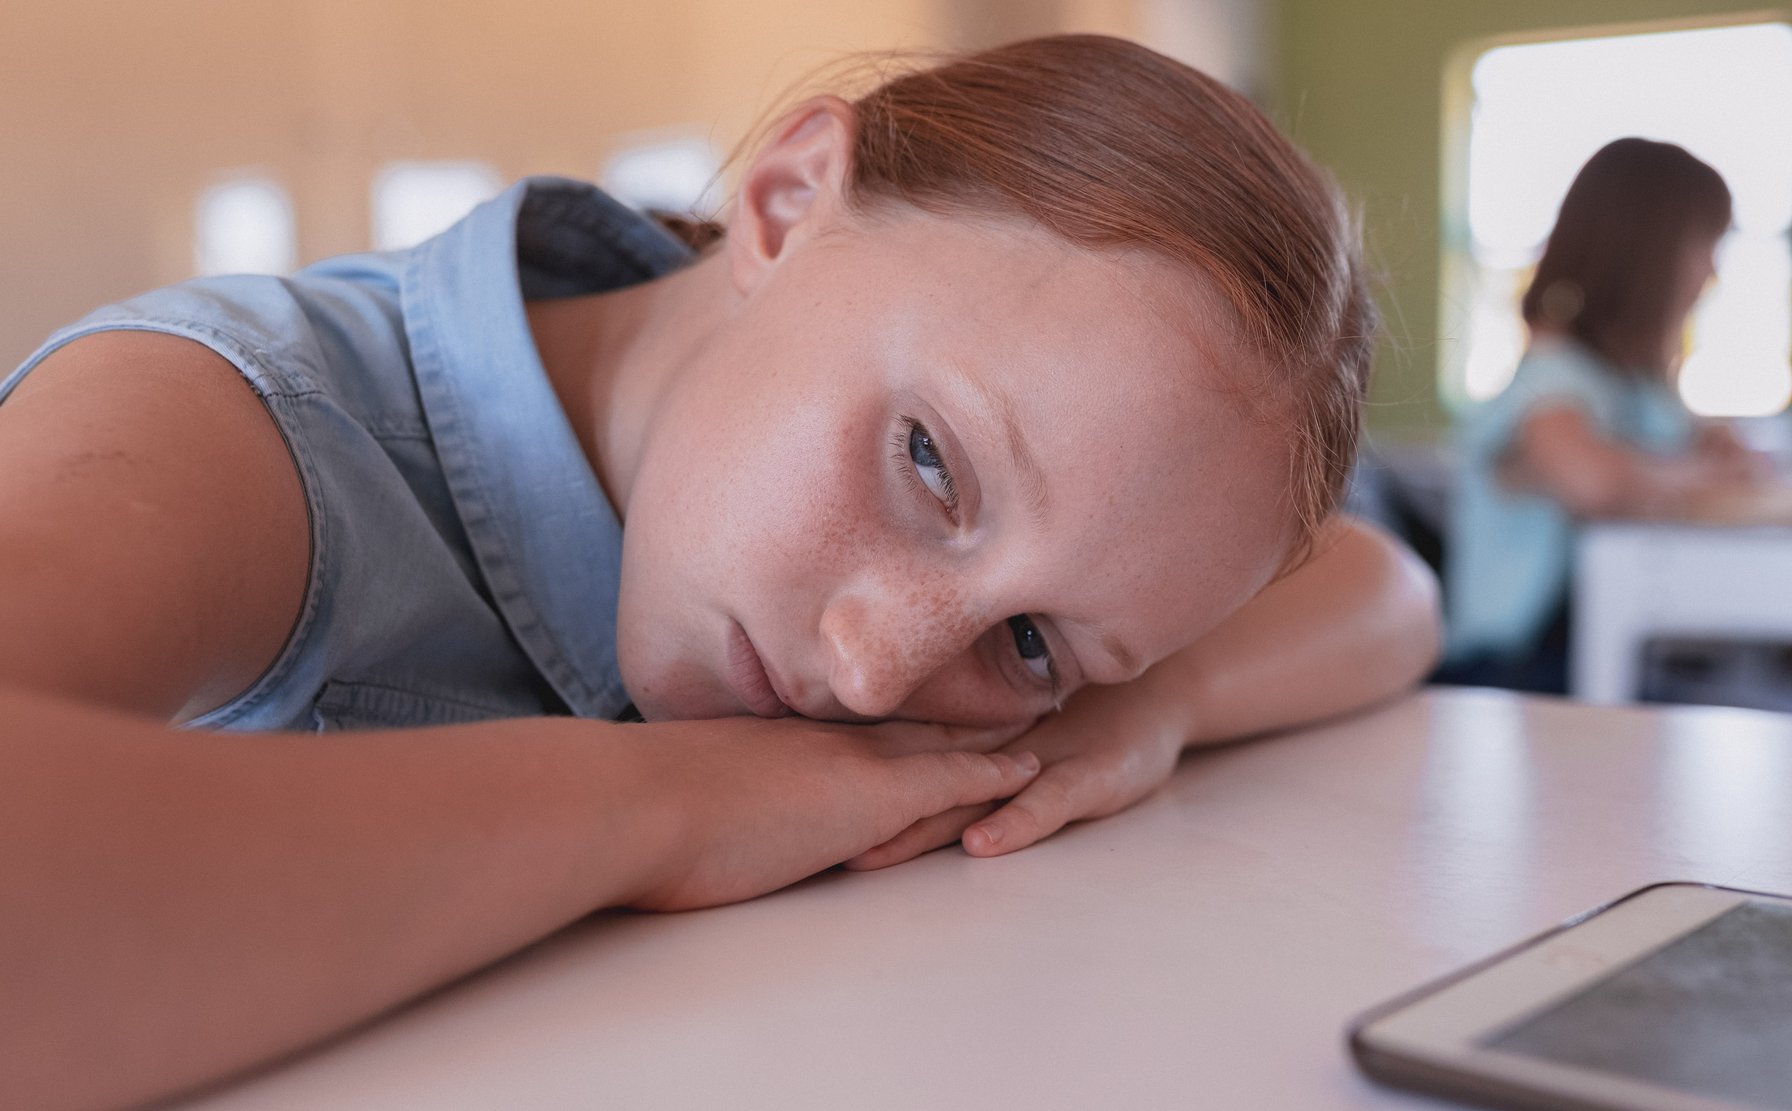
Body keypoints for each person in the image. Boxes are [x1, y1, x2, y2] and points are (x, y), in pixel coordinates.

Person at [0, 35, 1438, 1109]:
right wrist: (668, 804)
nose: (877, 673)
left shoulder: (1018, 632)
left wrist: (1141, 707)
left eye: (1036, 642)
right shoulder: (221, 421)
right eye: (931, 460)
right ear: (789, 199)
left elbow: (1384, 587)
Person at [1441, 137, 1765, 694]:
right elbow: (1592, 483)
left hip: (1605, 650)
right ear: (1647, 251)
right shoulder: (1552, 375)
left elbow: (1689, 449)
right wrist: (1702, 472)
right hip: (1514, 668)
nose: (1711, 274)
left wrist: (1711, 445)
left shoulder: (1638, 386)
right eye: (1703, 248)